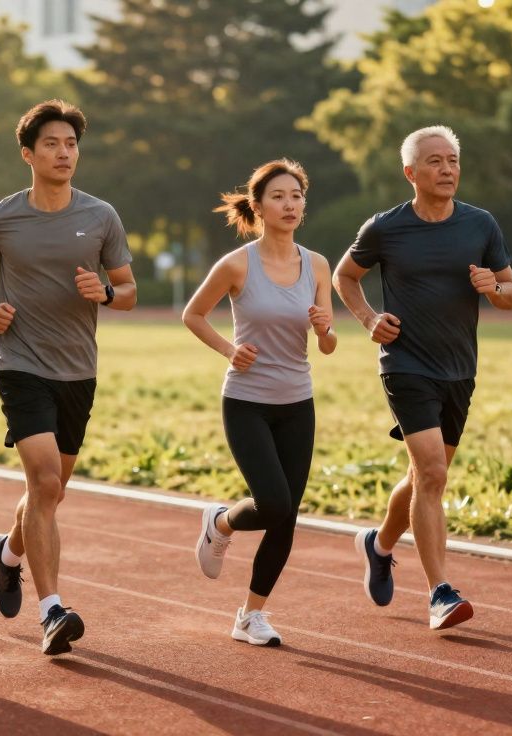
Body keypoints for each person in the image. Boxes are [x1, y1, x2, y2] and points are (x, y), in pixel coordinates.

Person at [0, 100, 136, 656]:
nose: (64, 153)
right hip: (20, 364)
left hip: (78, 370)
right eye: (52, 144)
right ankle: (52, 610)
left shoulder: (101, 216)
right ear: (28, 154)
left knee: (50, 494)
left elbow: (127, 292)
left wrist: (104, 292)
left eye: (71, 144)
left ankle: (8, 554)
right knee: (45, 481)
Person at [333, 125, 512, 631]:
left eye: (453, 160)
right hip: (405, 364)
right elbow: (345, 276)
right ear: (411, 173)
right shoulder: (385, 227)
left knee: (423, 477)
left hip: (460, 368)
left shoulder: (481, 225)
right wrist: (370, 318)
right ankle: (440, 593)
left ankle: (379, 544)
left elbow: (511, 291)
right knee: (434, 474)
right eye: (435, 162)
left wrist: (493, 286)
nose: (447, 169)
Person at [185, 159, 336, 647]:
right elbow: (194, 314)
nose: (289, 204)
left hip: (298, 402)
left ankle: (250, 616)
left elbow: (329, 343)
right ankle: (222, 521)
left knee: (286, 515)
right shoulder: (236, 265)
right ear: (258, 206)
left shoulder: (316, 264)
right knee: (273, 503)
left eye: (296, 195)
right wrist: (231, 350)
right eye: (278, 196)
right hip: (247, 401)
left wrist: (322, 329)